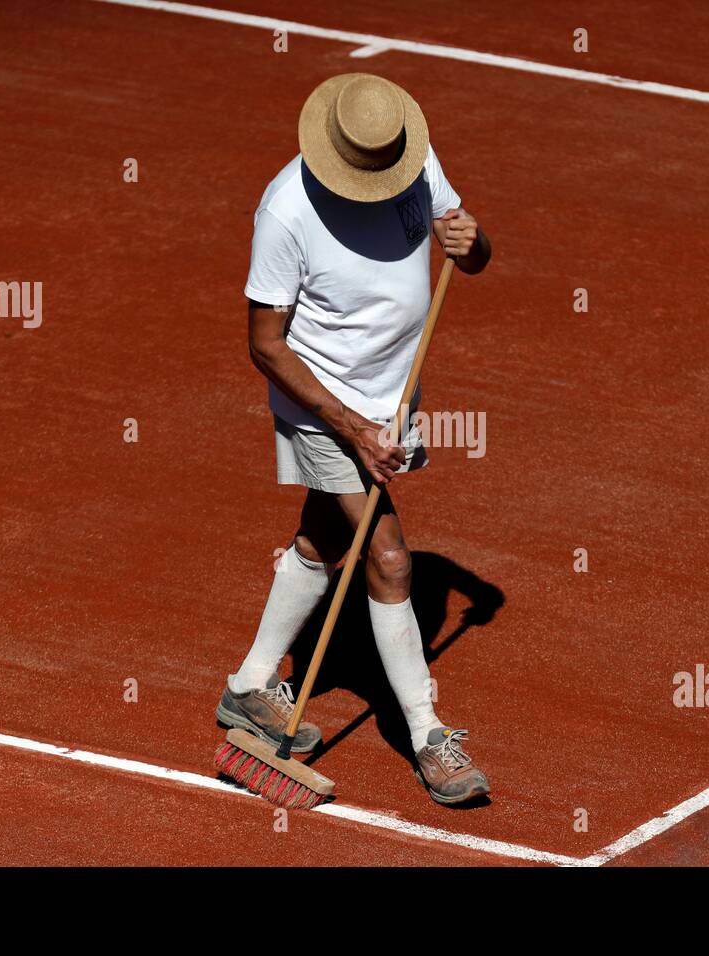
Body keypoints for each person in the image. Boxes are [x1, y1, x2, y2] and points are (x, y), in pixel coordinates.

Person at [216, 72, 493, 805]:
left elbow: (471, 247)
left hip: (393, 398)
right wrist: (354, 429)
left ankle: (247, 686)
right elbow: (266, 344)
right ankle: (428, 736)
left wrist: (472, 243)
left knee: (325, 534)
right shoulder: (285, 213)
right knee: (390, 556)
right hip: (326, 406)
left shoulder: (406, 156)